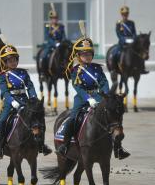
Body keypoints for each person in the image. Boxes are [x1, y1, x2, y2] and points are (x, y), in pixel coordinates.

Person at [56, 31, 130, 160]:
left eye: (89, 53)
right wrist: (88, 98)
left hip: (99, 96)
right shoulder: (75, 71)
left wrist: (106, 95)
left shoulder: (97, 69)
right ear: (78, 56)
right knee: (73, 118)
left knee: (112, 117)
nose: (87, 56)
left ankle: (118, 148)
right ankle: (66, 145)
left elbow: (104, 82)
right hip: (82, 98)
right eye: (84, 54)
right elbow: (77, 87)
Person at [0, 41, 51, 159]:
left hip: (25, 101)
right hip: (11, 102)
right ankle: (0, 147)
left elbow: (29, 86)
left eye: (14, 60)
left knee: (39, 119)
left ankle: (41, 145)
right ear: (5, 63)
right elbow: (4, 92)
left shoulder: (23, 73)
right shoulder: (3, 75)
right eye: (10, 61)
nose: (13, 62)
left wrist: (33, 97)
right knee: (3, 121)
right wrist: (12, 101)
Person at [114, 6, 148, 74]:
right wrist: (124, 40)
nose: (125, 15)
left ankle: (142, 68)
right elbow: (118, 34)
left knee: (141, 52)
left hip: (132, 42)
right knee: (116, 53)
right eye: (123, 14)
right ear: (121, 14)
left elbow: (134, 33)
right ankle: (115, 68)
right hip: (123, 42)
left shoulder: (131, 23)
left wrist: (134, 39)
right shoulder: (118, 23)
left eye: (126, 14)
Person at [40, 3, 65, 80]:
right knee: (44, 56)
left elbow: (63, 36)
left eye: (56, 18)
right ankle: (42, 73)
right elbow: (47, 37)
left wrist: (61, 43)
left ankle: (67, 72)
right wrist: (55, 43)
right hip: (50, 45)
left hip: (60, 45)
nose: (54, 19)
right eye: (53, 18)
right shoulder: (48, 27)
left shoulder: (61, 26)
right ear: (50, 19)